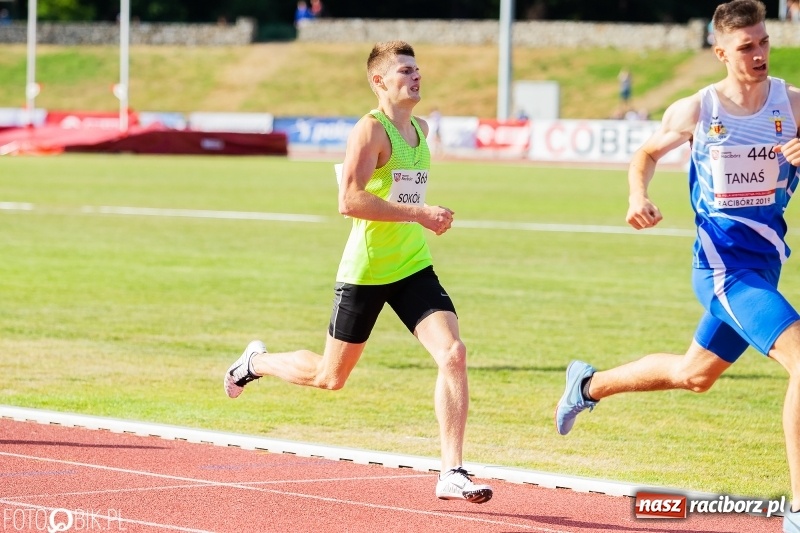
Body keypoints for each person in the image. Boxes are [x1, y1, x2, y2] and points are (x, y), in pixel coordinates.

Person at [554, 2, 800, 532]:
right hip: (721, 268)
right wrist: (636, 196)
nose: (758, 54)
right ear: (720, 53)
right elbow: (644, 155)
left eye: (763, 43)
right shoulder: (698, 110)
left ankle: (587, 386)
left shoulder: (793, 104)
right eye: (745, 47)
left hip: (765, 265)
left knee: (695, 375)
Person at [224, 40, 493, 504]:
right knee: (331, 377)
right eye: (405, 70)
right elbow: (349, 201)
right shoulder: (370, 131)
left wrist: (422, 217)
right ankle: (254, 363)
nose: (416, 77)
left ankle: (452, 470)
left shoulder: (422, 130)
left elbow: (403, 199)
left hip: (412, 266)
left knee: (453, 354)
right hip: (366, 271)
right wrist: (420, 215)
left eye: (417, 70)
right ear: (379, 81)